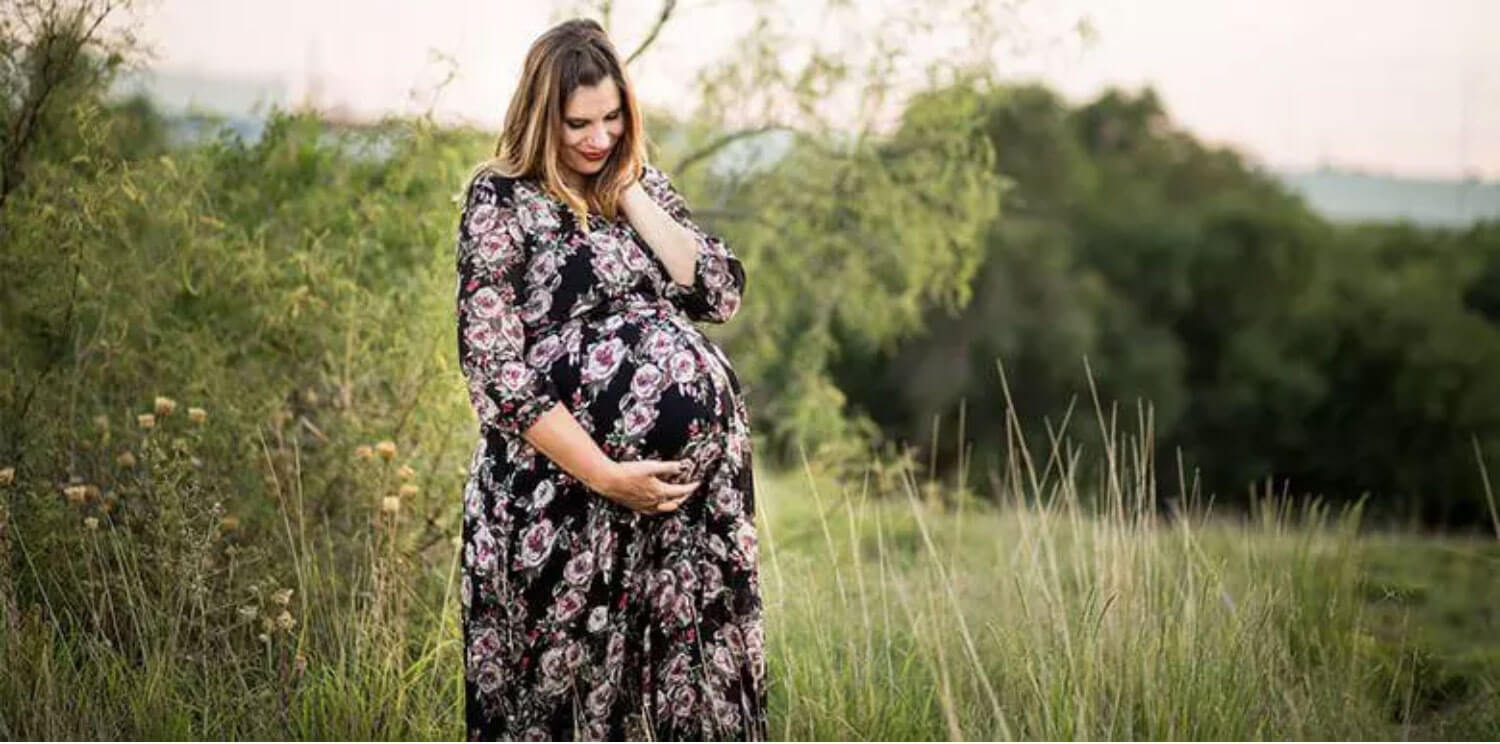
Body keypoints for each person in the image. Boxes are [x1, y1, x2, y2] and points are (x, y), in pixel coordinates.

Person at [453, 17, 767, 742]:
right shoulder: (501, 203)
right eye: (578, 124)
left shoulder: (642, 188)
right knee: (565, 710)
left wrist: (628, 195)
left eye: (612, 118)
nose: (598, 138)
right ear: (540, 119)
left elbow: (717, 292)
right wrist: (603, 473)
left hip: (685, 521)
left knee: (682, 705)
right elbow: (497, 369)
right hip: (564, 500)